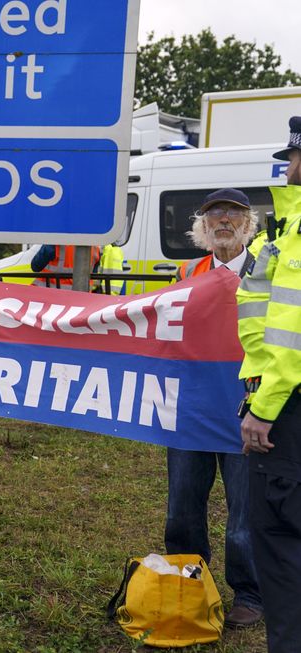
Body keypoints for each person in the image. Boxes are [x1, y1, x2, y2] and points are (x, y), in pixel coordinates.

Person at [164, 187, 263, 628]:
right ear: (202, 227)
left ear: (248, 223)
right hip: (192, 408)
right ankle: (189, 581)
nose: (224, 220)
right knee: (183, 505)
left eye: (234, 214)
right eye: (215, 214)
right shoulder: (187, 271)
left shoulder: (266, 271)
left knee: (246, 510)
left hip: (248, 409)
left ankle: (251, 594)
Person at [237, 115, 301, 652]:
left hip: (290, 412)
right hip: (279, 392)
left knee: (281, 547)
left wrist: (263, 406)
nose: (290, 168)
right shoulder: (282, 232)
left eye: (295, 159)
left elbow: (291, 332)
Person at [30, 245, 99, 289]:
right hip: (83, 299)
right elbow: (94, 272)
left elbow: (35, 266)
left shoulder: (56, 241)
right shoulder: (95, 246)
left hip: (51, 296)